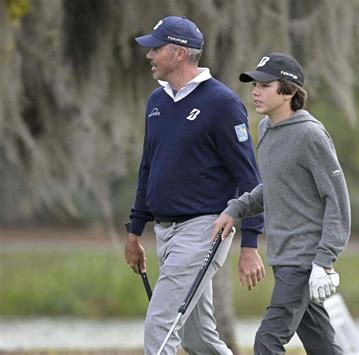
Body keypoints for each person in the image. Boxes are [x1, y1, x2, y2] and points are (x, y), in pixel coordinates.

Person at [124, 16, 265, 355]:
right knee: (196, 337)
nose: (149, 55)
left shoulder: (222, 103)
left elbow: (249, 178)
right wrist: (134, 231)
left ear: (179, 54)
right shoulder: (156, 102)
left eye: (156, 48)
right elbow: (148, 168)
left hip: (205, 229)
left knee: (161, 323)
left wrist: (249, 244)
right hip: (166, 232)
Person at [212, 52, 351, 354]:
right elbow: (273, 189)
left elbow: (337, 200)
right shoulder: (266, 130)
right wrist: (235, 209)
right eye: (254, 85)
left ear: (288, 91)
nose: (255, 91)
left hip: (304, 261)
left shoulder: (310, 135)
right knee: (321, 344)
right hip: (283, 256)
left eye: (264, 85)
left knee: (267, 341)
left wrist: (324, 261)